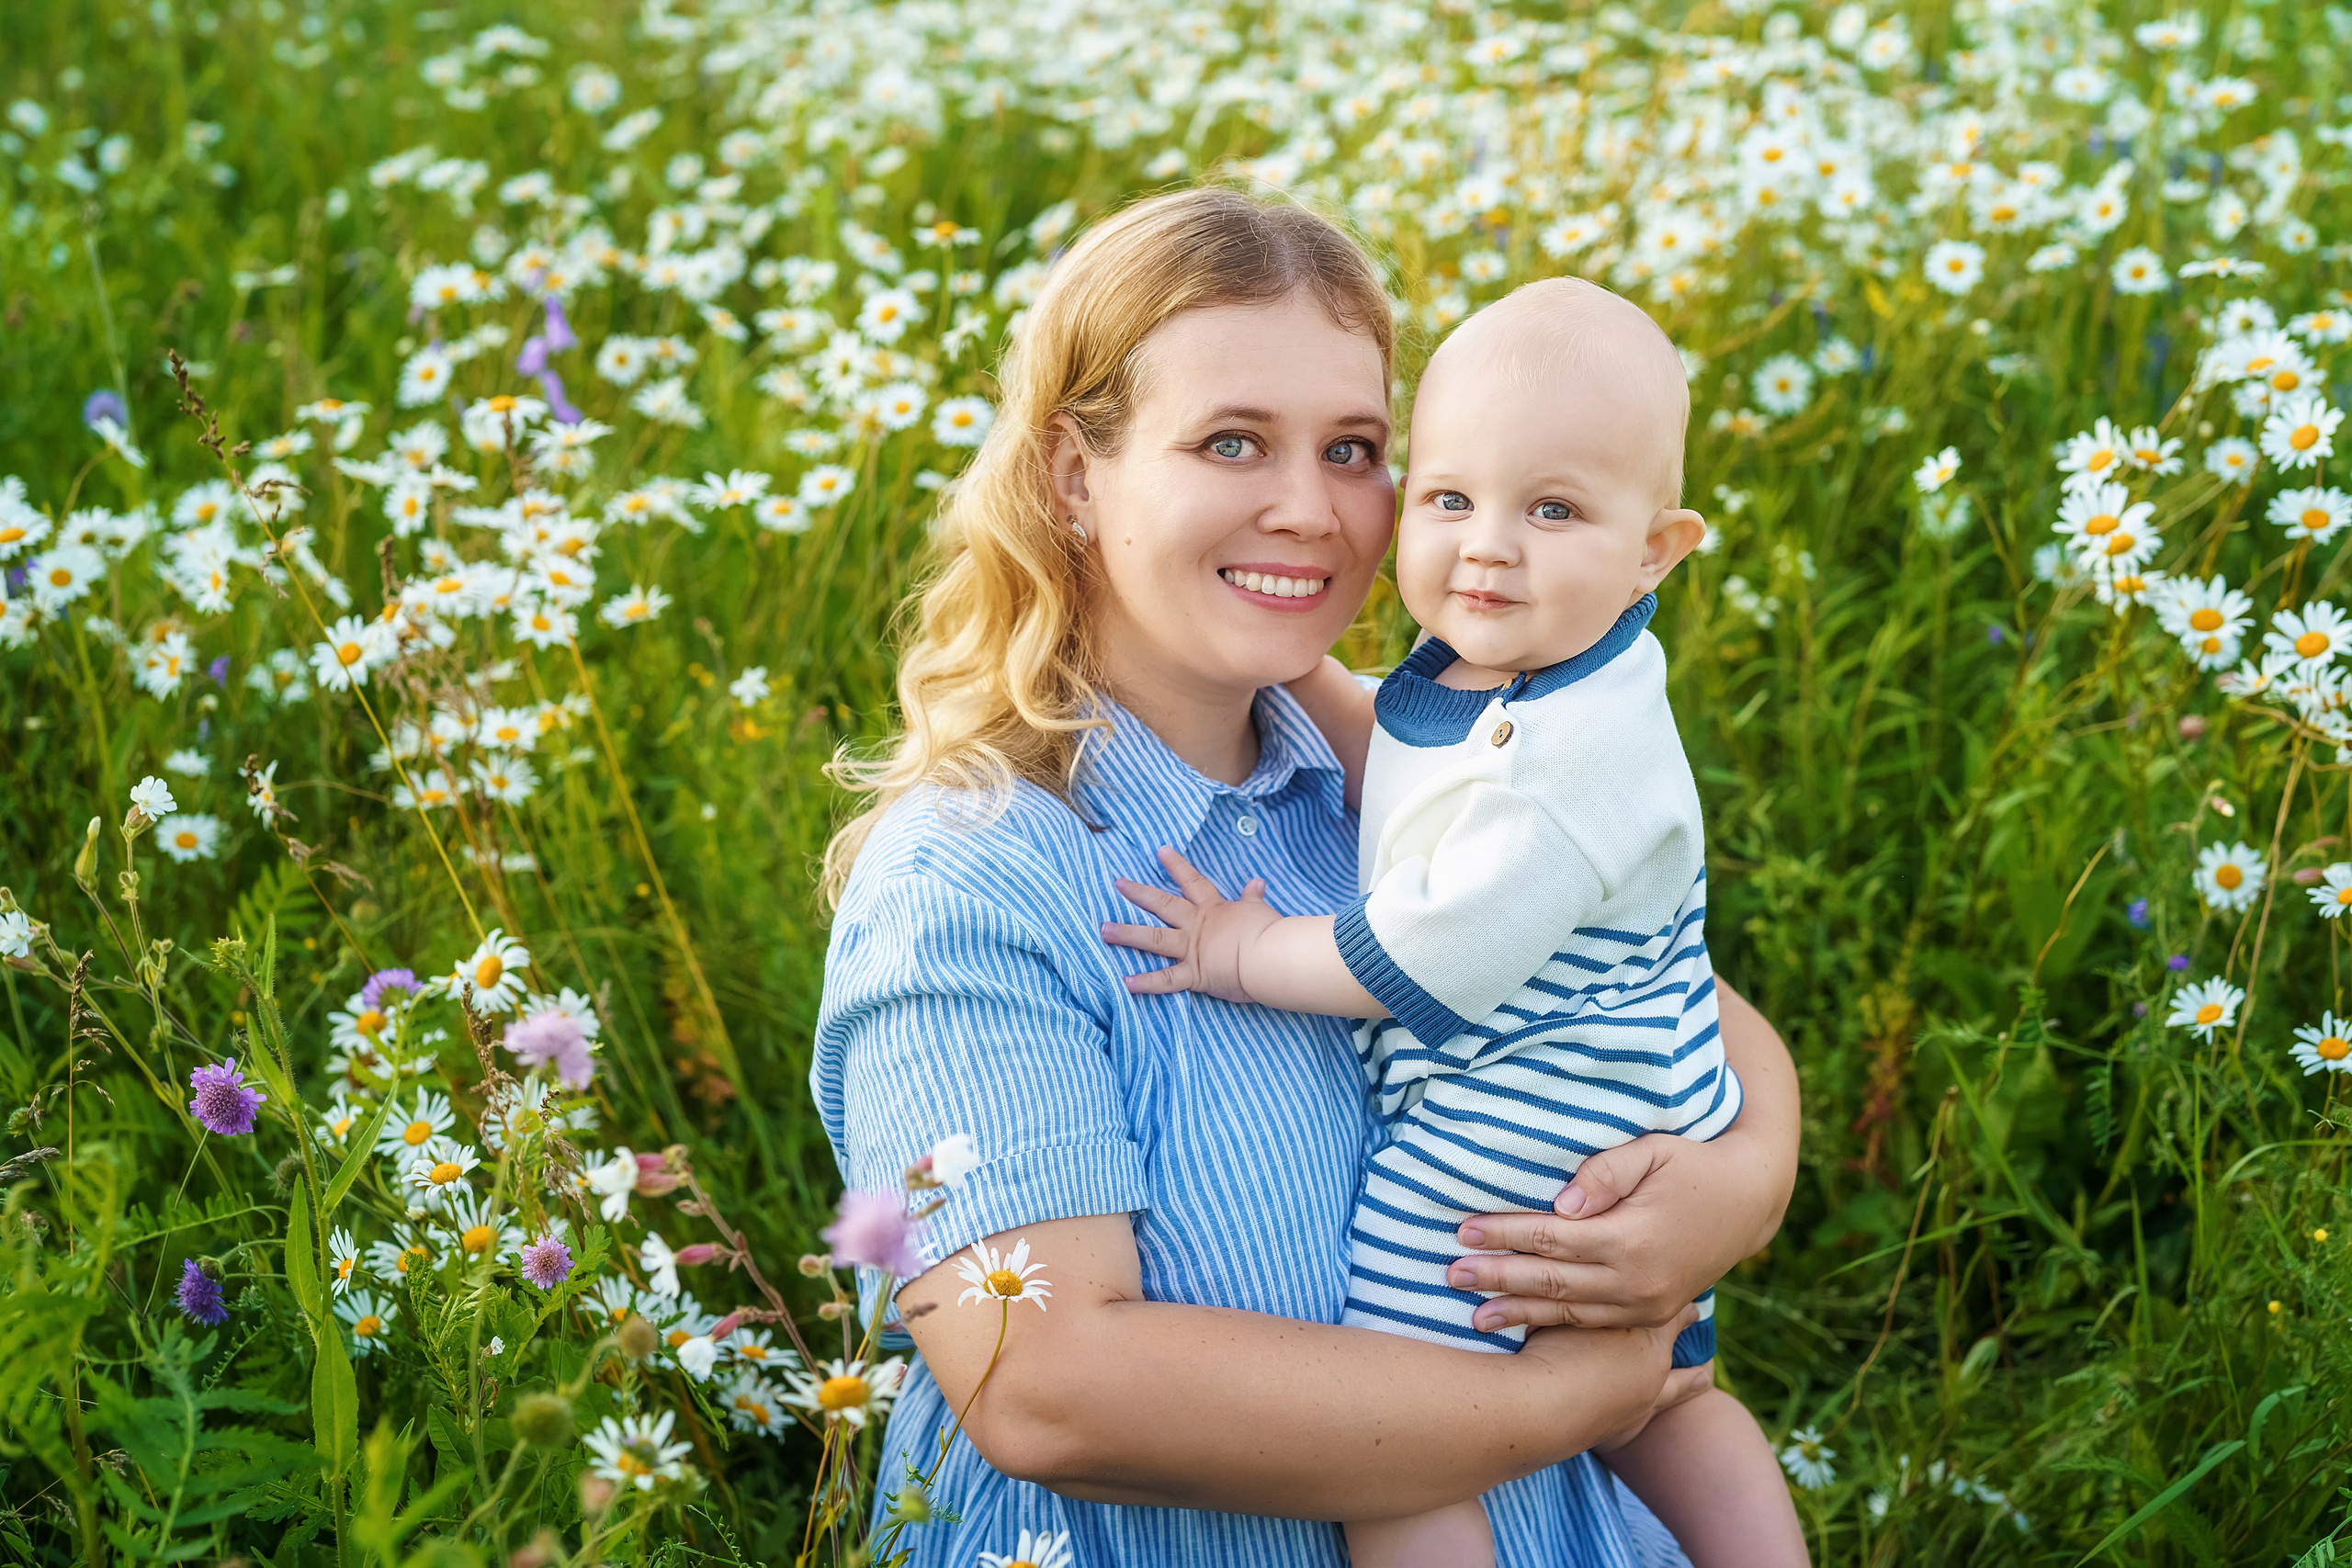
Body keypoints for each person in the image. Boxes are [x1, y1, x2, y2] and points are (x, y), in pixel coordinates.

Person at [811, 186, 1801, 1567]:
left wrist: (1748, 1173)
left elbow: (1652, 979)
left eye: (1354, 449)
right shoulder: (976, 877)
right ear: (1072, 477)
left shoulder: (1380, 751)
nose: (1309, 509)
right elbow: (1041, 1387)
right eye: (1231, 441)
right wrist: (1560, 1396)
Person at [1101, 276, 1806, 1568]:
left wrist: (1242, 951)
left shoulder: (1566, 763)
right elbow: (1418, 753)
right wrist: (1286, 648)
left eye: (1552, 510)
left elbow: (1427, 953)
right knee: (1675, 1400)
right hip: (1629, 1088)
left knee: (1395, 1430)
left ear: (1659, 549)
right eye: (1449, 497)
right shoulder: (1512, 668)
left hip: (1517, 1129)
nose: (1490, 545)